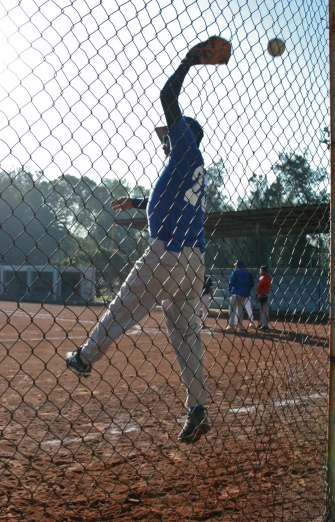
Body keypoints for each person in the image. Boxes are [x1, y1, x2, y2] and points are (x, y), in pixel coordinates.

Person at [65, 36, 230, 444]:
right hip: (193, 262)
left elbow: (166, 94)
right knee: (185, 334)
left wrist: (190, 61)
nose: (163, 138)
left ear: (183, 134)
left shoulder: (186, 148)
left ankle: (85, 357)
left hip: (167, 254)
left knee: (126, 305)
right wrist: (137, 202)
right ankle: (197, 407)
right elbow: (168, 201)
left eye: (168, 133)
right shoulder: (190, 167)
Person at [227, 260, 251, 332]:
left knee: (232, 309)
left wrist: (229, 289)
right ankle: (240, 326)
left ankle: (231, 325)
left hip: (236, 292)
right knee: (240, 310)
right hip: (244, 294)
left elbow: (231, 281)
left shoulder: (235, 272)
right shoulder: (247, 274)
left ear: (238, 266)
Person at [256, 265, 272, 330]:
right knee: (263, 309)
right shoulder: (265, 277)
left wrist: (261, 295)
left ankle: (264, 324)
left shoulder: (265, 277)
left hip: (264, 294)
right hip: (263, 293)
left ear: (264, 271)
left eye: (261, 270)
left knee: (264, 310)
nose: (260, 272)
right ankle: (262, 323)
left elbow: (264, 287)